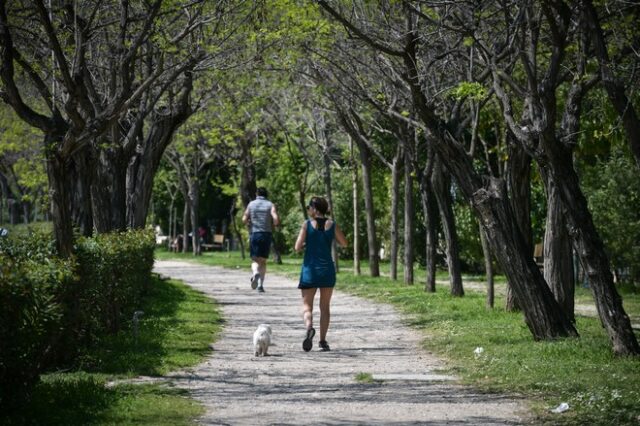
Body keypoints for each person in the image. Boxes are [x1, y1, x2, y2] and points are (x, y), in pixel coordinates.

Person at [294, 196, 347, 352]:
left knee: (306, 306)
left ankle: (309, 326)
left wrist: (306, 243)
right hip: (326, 271)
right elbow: (344, 243)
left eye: (309, 207)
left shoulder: (306, 225)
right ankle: (323, 341)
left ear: (315, 209)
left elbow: (297, 247)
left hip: (310, 270)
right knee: (325, 307)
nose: (309, 210)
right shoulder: (332, 224)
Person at [242, 187, 280, 293]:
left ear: (256, 193)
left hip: (255, 233)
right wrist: (274, 224)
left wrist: (249, 222)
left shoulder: (251, 204)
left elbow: (244, 219)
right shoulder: (270, 204)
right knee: (263, 261)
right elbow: (276, 219)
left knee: (255, 259)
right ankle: (260, 286)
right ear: (266, 194)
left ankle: (255, 273)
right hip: (266, 235)